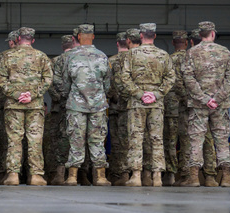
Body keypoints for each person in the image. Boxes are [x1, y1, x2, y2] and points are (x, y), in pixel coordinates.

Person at [0, 27, 53, 186]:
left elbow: (0, 81)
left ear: (18, 39)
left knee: (14, 139)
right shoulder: (41, 57)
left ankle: (13, 174)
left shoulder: (7, 56)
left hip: (13, 105)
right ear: (32, 40)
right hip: (35, 106)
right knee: (35, 140)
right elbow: (48, 80)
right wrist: (32, 95)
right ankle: (36, 175)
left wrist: (16, 95)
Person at [119, 23, 175, 187]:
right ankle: (157, 176)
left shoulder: (131, 54)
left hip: (137, 103)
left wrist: (139, 94)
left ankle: (136, 176)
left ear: (141, 36)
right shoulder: (164, 55)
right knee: (156, 139)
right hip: (156, 104)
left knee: (136, 138)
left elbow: (125, 77)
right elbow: (171, 78)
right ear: (154, 36)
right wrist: (157, 94)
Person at [182, 21, 230, 187]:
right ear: (212, 33)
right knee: (221, 139)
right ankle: (226, 177)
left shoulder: (191, 53)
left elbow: (188, 78)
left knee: (196, 140)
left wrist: (204, 98)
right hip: (220, 105)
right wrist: (217, 98)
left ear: (200, 35)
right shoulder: (225, 52)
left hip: (199, 105)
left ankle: (193, 177)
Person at [62, 24, 111, 186]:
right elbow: (108, 84)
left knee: (76, 139)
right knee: (97, 140)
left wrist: (74, 95)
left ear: (77, 37)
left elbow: (65, 84)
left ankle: (72, 176)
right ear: (93, 36)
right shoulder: (102, 56)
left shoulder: (70, 57)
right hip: (98, 105)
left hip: (76, 105)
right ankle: (100, 176)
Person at [177, 28, 218, 187]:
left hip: (191, 106)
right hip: (211, 105)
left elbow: (180, 83)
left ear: (191, 42)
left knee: (190, 141)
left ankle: (189, 176)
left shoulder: (188, 57)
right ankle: (210, 176)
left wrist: (189, 98)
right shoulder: (217, 55)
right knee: (208, 140)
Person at [161, 30, 188, 186]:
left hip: (171, 106)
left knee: (170, 142)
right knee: (187, 141)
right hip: (187, 107)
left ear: (173, 43)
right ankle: (185, 175)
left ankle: (170, 174)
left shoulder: (168, 59)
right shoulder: (192, 58)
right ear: (187, 42)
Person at [47, 34, 75, 185]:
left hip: (59, 107)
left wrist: (59, 97)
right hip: (78, 105)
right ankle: (79, 173)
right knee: (78, 138)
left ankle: (57, 173)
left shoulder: (55, 61)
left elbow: (49, 83)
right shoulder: (79, 58)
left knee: (57, 139)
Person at [0, 30, 19, 185]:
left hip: (8, 104)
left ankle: (5, 172)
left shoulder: (4, 56)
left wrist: (4, 99)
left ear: (12, 42)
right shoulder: (38, 56)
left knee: (7, 139)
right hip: (32, 103)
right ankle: (32, 174)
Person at [107, 32, 130, 186]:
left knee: (116, 142)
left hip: (116, 108)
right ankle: (135, 173)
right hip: (134, 106)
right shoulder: (134, 59)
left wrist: (112, 97)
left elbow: (107, 85)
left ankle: (118, 173)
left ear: (117, 44)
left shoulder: (110, 61)